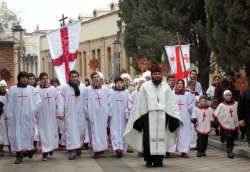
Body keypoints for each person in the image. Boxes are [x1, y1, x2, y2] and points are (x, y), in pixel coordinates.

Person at [124, 64, 183, 167]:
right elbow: (140, 103)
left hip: (162, 115)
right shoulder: (145, 87)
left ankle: (159, 161)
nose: (157, 76)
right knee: (148, 138)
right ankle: (148, 159)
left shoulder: (166, 87)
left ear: (161, 75)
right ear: (151, 75)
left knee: (161, 137)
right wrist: (140, 117)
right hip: (148, 115)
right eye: (155, 74)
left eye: (159, 74)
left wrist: (173, 116)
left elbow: (170, 103)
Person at [4, 71, 41, 164]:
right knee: (17, 136)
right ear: (19, 78)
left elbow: (38, 102)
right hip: (16, 118)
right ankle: (19, 155)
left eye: (26, 78)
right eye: (22, 77)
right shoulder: (12, 90)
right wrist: (9, 115)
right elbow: (8, 103)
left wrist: (32, 111)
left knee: (28, 135)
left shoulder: (32, 90)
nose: (24, 79)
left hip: (28, 118)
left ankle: (29, 149)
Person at [57, 70, 87, 160]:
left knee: (81, 131)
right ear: (69, 77)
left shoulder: (83, 87)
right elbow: (61, 100)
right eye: (72, 77)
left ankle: (78, 146)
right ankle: (72, 152)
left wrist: (87, 113)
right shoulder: (65, 88)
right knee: (70, 132)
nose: (74, 78)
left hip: (81, 113)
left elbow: (86, 100)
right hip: (70, 113)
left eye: (75, 76)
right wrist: (61, 112)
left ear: (78, 77)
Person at [167, 79, 197, 158]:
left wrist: (193, 118)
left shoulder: (187, 94)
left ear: (184, 85)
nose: (180, 85)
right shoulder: (172, 93)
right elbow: (169, 104)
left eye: (181, 83)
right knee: (172, 132)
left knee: (185, 134)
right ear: (176, 85)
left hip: (185, 117)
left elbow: (192, 107)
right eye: (178, 83)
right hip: (174, 116)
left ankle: (184, 151)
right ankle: (169, 150)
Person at [84, 72, 110, 158]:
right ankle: (96, 150)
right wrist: (87, 113)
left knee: (102, 132)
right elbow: (85, 102)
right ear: (92, 79)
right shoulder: (88, 90)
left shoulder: (105, 89)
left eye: (97, 77)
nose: (96, 79)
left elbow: (108, 102)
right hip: (93, 115)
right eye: (94, 77)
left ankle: (102, 148)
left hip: (103, 115)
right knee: (94, 132)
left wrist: (108, 113)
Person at [36, 72, 59, 161]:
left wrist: (58, 112)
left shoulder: (53, 89)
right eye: (43, 79)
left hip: (52, 115)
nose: (45, 80)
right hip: (42, 115)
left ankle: (51, 147)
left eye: (46, 78)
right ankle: (44, 153)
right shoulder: (37, 90)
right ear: (40, 80)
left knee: (52, 132)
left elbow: (57, 101)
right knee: (43, 133)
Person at [213, 71, 240, 142]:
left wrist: (238, 104)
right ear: (226, 76)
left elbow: (238, 94)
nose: (230, 78)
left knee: (234, 121)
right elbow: (216, 94)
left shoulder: (236, 83)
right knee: (224, 121)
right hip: (223, 106)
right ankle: (224, 136)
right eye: (229, 76)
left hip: (233, 106)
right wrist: (216, 105)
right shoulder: (220, 83)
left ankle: (233, 138)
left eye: (232, 76)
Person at [109, 77, 130, 157]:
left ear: (122, 83)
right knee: (114, 131)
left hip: (123, 116)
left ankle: (121, 148)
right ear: (115, 84)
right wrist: (109, 114)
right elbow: (109, 103)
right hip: (114, 116)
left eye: (120, 83)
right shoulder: (112, 92)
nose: (119, 84)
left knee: (123, 131)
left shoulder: (126, 92)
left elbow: (129, 103)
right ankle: (117, 148)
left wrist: (127, 113)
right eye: (117, 83)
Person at [214, 90, 238, 158]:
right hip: (226, 124)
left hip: (233, 122)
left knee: (232, 137)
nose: (228, 97)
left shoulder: (236, 104)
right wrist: (215, 125)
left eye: (229, 95)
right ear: (224, 97)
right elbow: (217, 114)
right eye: (227, 95)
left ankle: (231, 148)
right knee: (229, 136)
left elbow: (239, 112)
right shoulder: (221, 105)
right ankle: (229, 151)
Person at [186, 80, 199, 149]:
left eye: (194, 86)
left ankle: (193, 144)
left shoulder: (196, 93)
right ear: (188, 85)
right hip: (188, 113)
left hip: (196, 112)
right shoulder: (186, 93)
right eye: (192, 86)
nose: (193, 87)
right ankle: (189, 144)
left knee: (194, 130)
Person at [0, 80, 8, 156]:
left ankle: (8, 145)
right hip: (1, 114)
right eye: (2, 86)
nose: (3, 88)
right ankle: (1, 146)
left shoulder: (8, 94)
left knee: (7, 130)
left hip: (7, 115)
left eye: (4, 86)